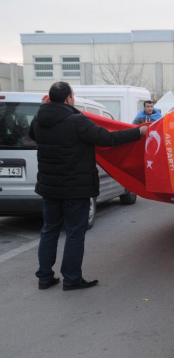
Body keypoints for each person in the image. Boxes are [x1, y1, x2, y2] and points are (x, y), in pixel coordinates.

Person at [29, 82, 147, 291]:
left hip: (49, 187)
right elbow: (108, 139)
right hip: (75, 188)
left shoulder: (38, 119)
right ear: (68, 99)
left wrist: (43, 107)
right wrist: (137, 133)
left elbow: (32, 135)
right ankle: (72, 279)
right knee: (75, 232)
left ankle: (45, 277)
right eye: (72, 96)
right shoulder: (77, 121)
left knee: (49, 230)